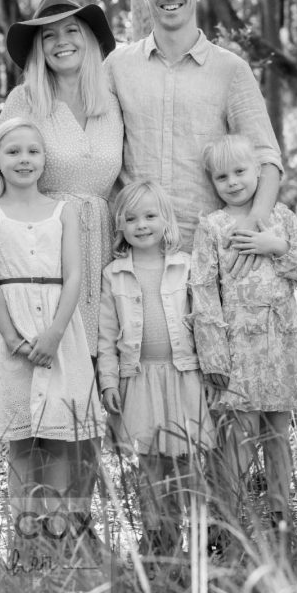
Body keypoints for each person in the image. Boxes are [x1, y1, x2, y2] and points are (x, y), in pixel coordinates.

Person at [0, 0, 123, 358]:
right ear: (39, 49)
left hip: (102, 241)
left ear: (89, 39)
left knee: (103, 357)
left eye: (71, 31)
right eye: (49, 36)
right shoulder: (26, 98)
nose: (61, 42)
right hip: (40, 242)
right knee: (46, 351)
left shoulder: (112, 101)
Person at [0, 116, 103, 544]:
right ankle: (24, 537)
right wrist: (12, 338)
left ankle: (60, 534)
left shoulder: (63, 212)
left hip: (60, 332)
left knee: (59, 438)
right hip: (10, 331)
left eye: (32, 151)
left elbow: (75, 277)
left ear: (45, 159)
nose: (24, 159)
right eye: (13, 152)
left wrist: (54, 334)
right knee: (22, 441)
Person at [190, 133, 297, 550]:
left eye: (240, 172)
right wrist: (214, 354)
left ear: (259, 173)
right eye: (222, 177)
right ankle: (229, 520)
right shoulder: (213, 227)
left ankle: (282, 517)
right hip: (238, 350)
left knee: (278, 433)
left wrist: (276, 246)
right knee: (240, 435)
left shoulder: (280, 217)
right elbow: (203, 290)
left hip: (280, 344)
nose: (232, 182)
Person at [105, 0, 283, 258]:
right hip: (136, 253)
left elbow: (266, 156)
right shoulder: (117, 66)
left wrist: (257, 219)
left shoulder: (231, 69)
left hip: (210, 250)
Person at [97, 180, 214, 558]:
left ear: (166, 221)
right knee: (148, 463)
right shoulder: (113, 274)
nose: (141, 224)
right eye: (131, 218)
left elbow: (205, 321)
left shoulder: (184, 266)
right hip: (140, 377)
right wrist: (109, 382)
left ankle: (191, 531)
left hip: (182, 375)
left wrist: (213, 370)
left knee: (185, 459)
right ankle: (156, 534)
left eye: (150, 215)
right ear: (120, 226)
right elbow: (107, 335)